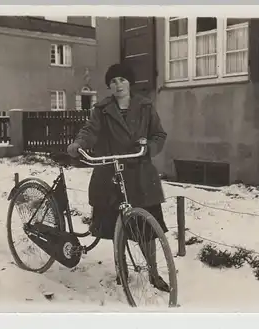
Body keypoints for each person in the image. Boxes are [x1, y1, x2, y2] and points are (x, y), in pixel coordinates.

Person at [67, 63, 170, 292]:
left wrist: (149, 148)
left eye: (122, 80)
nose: (118, 85)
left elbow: (159, 134)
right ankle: (121, 269)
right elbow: (89, 131)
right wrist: (79, 144)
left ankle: (153, 272)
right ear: (109, 86)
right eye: (113, 82)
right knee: (117, 226)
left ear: (129, 83)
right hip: (110, 173)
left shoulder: (145, 106)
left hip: (140, 173)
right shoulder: (101, 109)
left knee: (148, 230)